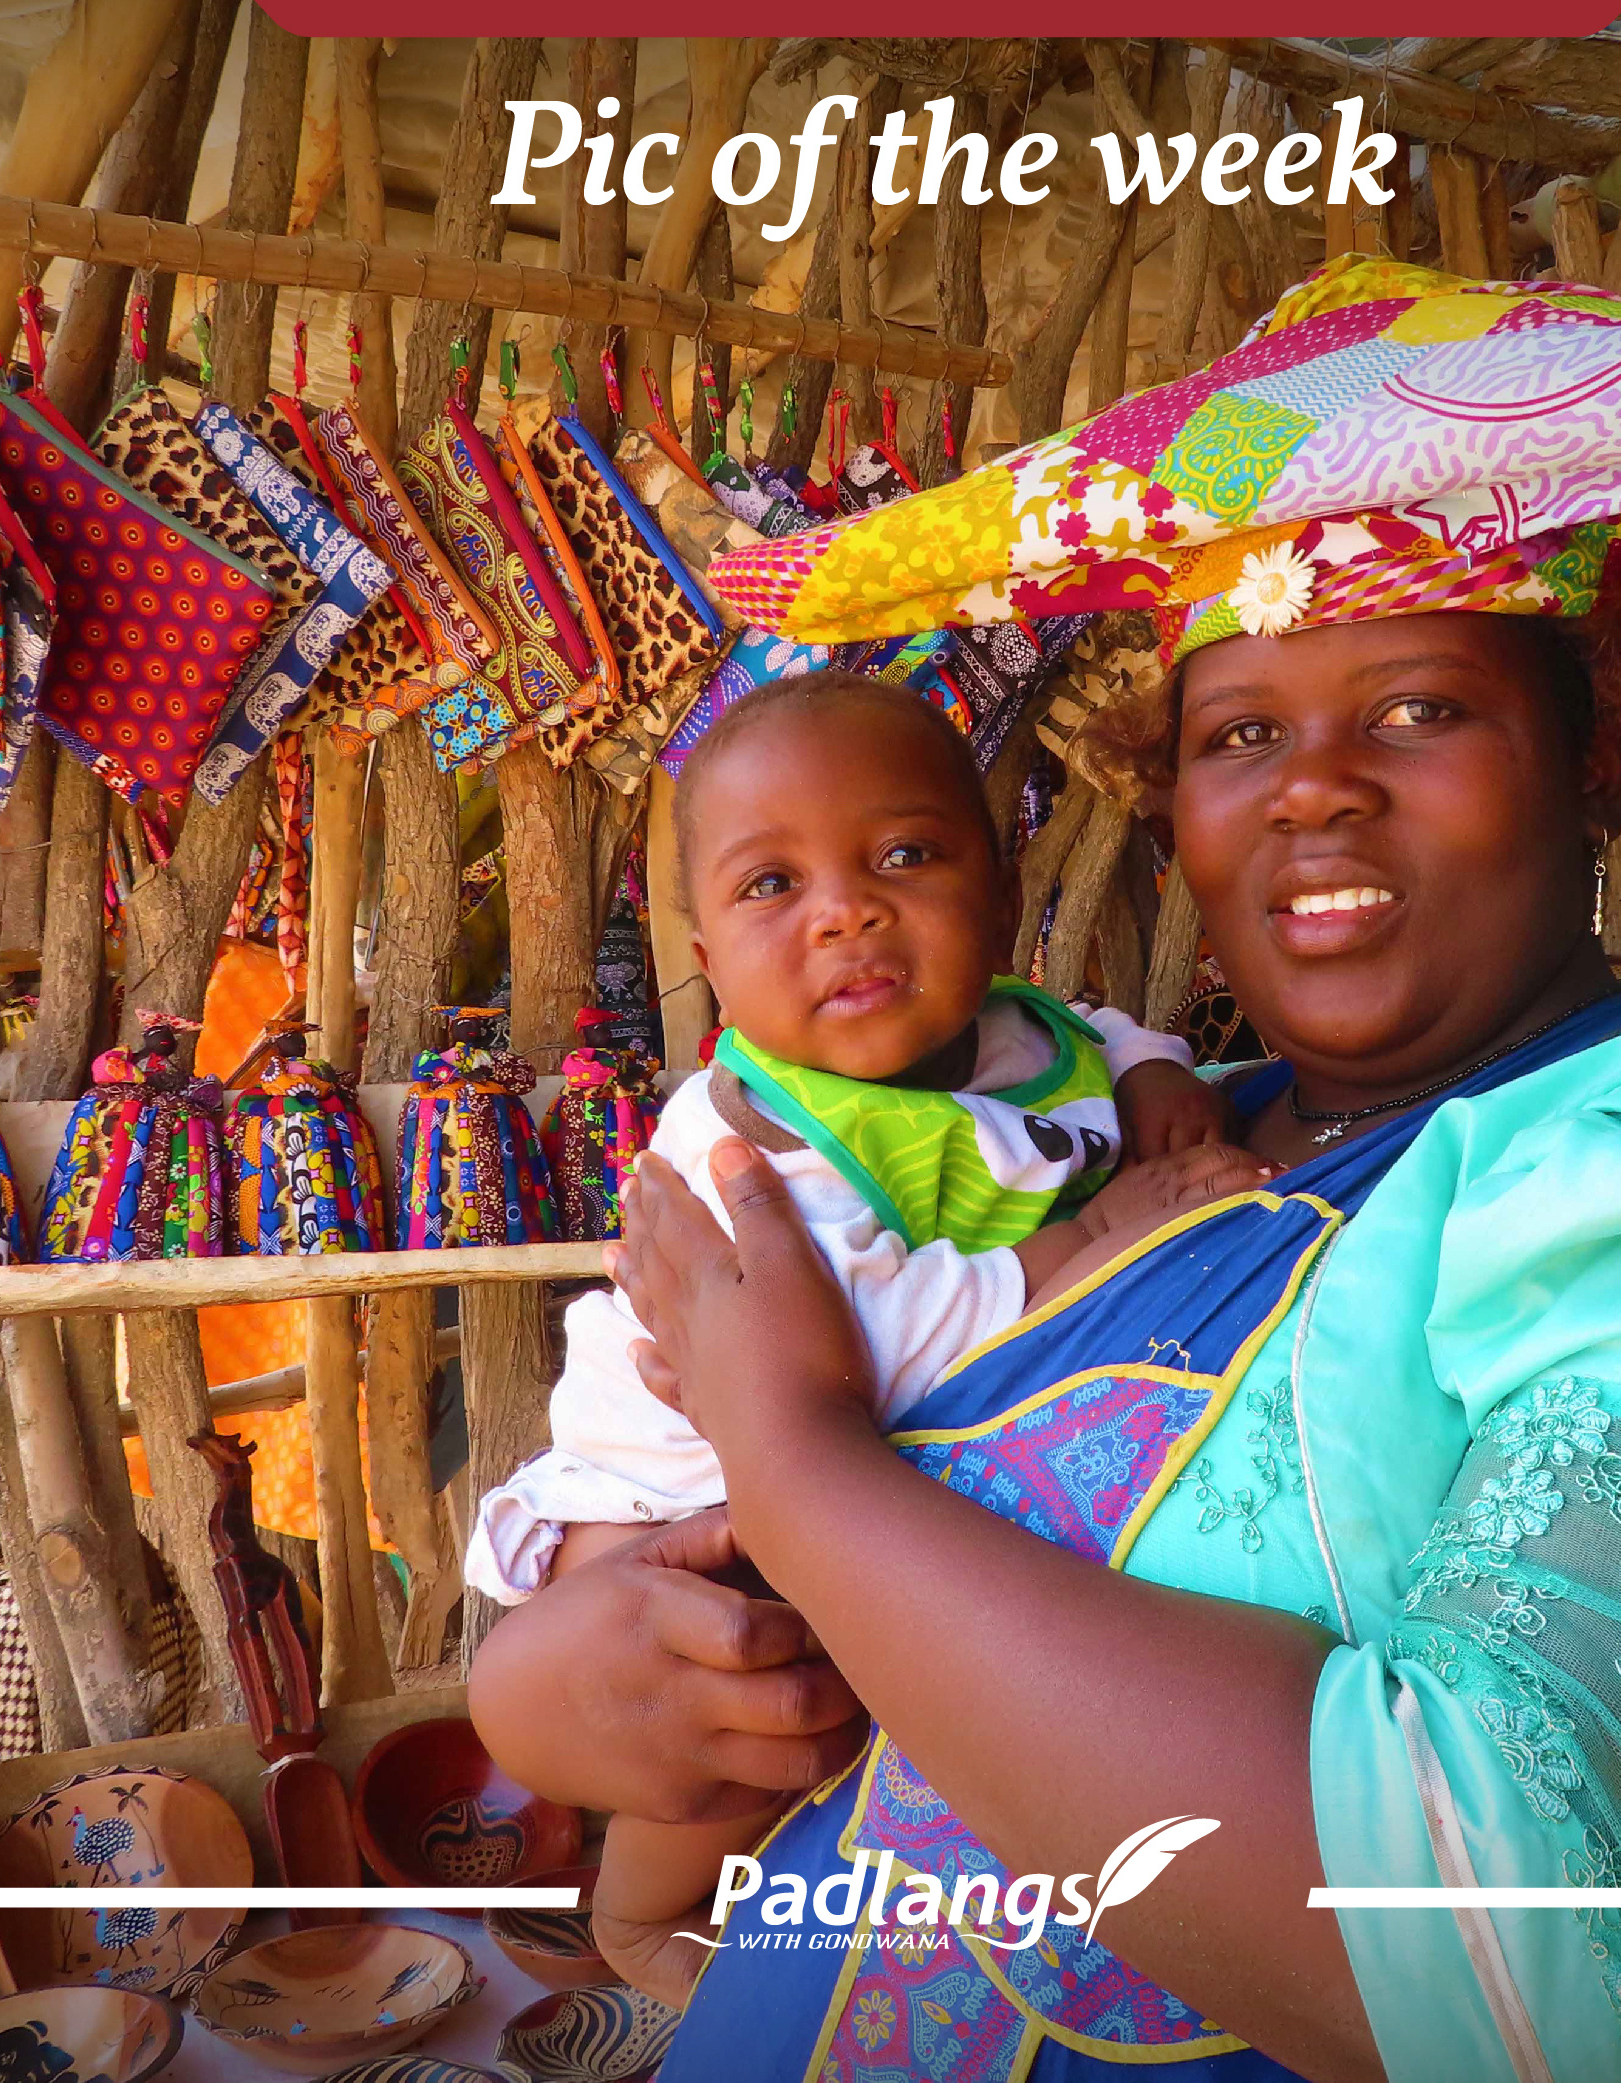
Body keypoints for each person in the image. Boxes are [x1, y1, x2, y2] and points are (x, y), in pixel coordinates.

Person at [466, 258, 1621, 2083]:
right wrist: (561, 1686)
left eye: (1417, 710)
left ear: (1593, 752)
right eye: (1239, 734)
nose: (1311, 789)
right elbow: (783, 1627)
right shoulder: (1124, 1135)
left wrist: (797, 1469)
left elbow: (1517, 1979)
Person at [466, 671, 1265, 1990]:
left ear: (1000, 898)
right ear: (708, 961)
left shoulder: (1014, 1037)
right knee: (752, 1711)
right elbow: (862, 1338)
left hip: (826, 1480)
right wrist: (1096, 1239)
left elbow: (1095, 1035)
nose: (845, 910)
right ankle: (645, 1918)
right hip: (685, 1500)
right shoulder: (749, 1138)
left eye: (903, 854)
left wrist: (1156, 1075)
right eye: (770, 886)